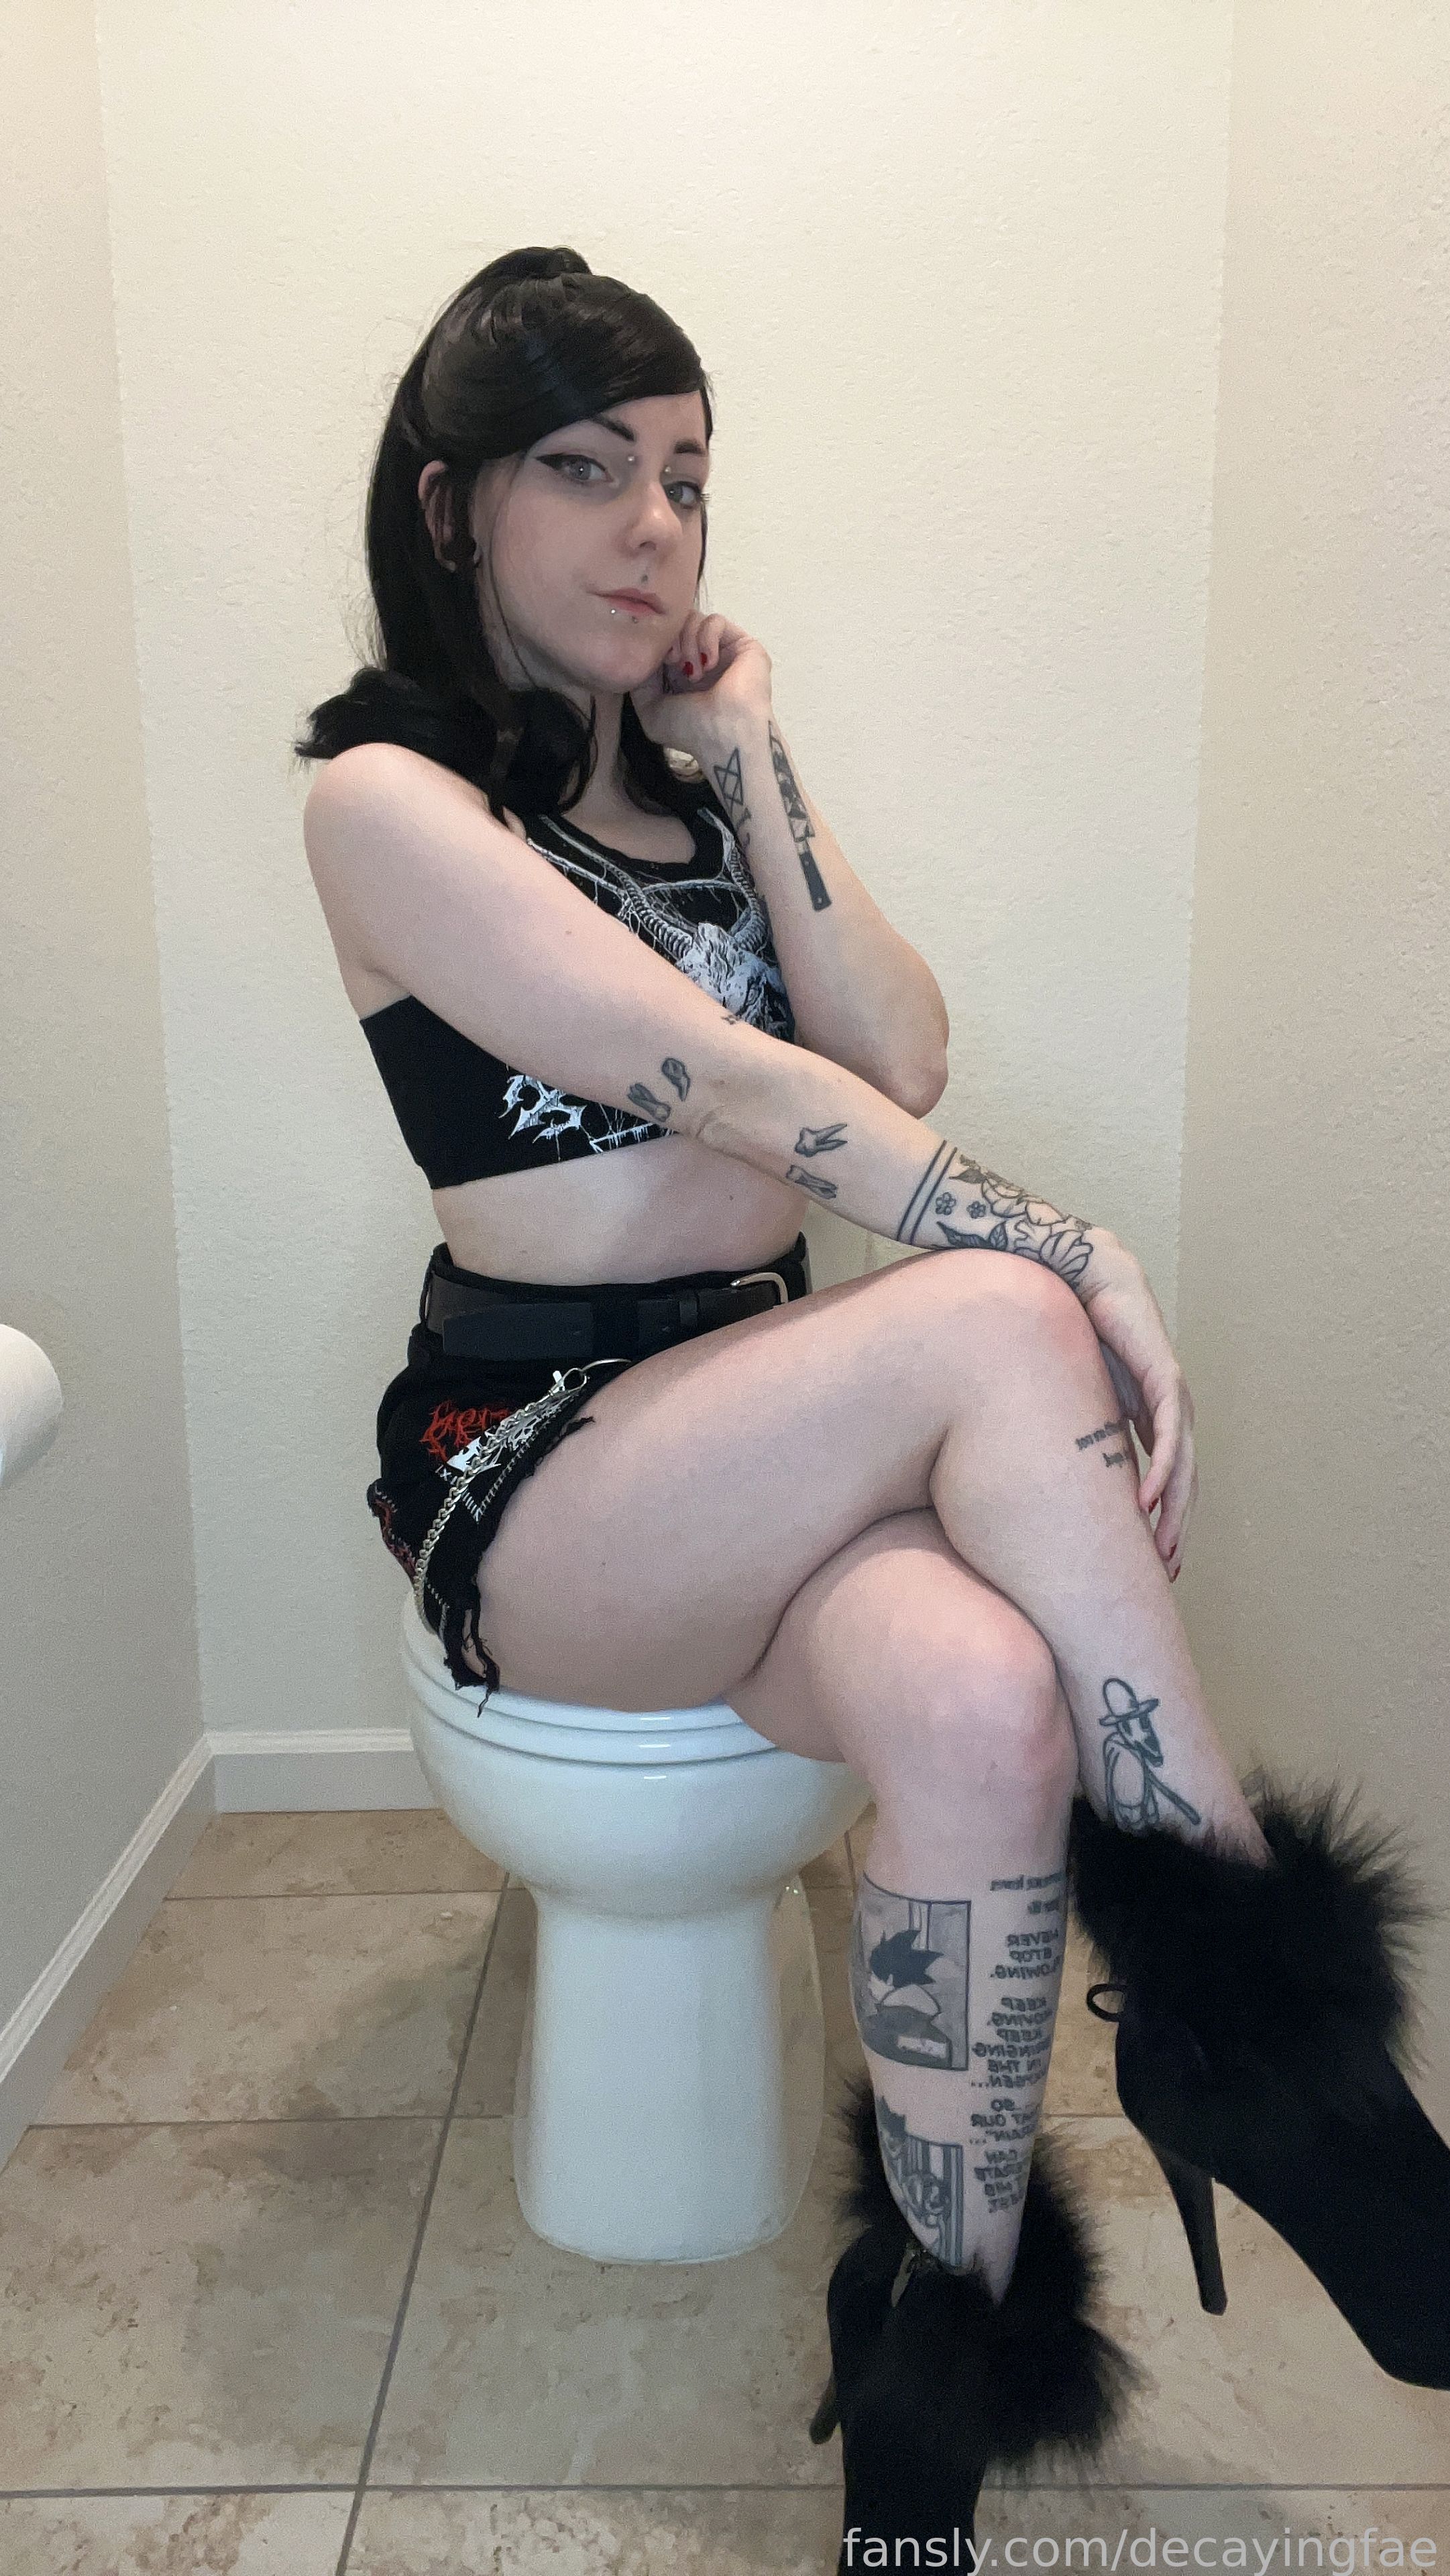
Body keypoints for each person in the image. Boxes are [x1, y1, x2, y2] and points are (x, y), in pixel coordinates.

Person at [295, 247, 1449, 2561]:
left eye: (687, 479)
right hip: (537, 1470)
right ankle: (1263, 2042)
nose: (652, 525)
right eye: (584, 470)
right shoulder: (386, 800)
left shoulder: (697, 794)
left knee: (986, 1705)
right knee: (1001, 1312)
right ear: (450, 509)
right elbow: (723, 1079)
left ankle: (933, 2356)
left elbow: (893, 1058)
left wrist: (752, 758)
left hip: (761, 1426)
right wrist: (1069, 1250)